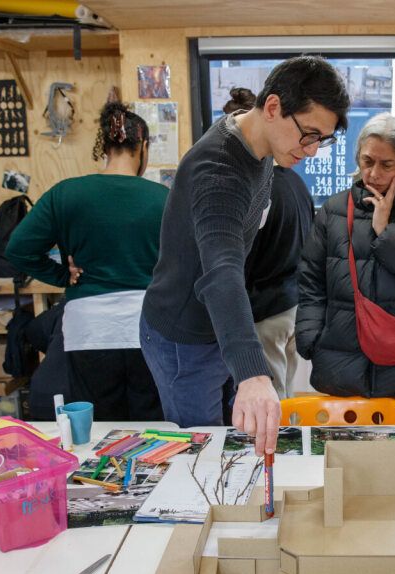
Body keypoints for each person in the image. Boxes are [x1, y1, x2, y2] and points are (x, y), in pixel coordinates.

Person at [139, 56, 349, 455]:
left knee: (232, 443)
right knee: (199, 454)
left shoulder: (261, 146)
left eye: (323, 139)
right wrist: (253, 375)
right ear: (272, 108)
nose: (313, 151)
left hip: (220, 327)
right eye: (309, 135)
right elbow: (221, 270)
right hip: (184, 336)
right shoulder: (219, 171)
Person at [6, 102, 166, 421]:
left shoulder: (66, 194)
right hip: (148, 328)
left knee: (99, 429)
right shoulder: (163, 198)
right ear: (143, 147)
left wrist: (62, 276)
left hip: (88, 330)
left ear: (104, 147)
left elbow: (18, 249)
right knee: (151, 426)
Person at [296, 112, 395, 424]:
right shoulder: (334, 210)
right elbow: (311, 280)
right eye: (368, 161)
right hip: (341, 360)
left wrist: (387, 232)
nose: (373, 173)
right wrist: (311, 337)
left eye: (387, 164)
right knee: (344, 463)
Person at [222, 87, 315, 399]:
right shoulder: (296, 182)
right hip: (292, 304)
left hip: (266, 312)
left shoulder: (260, 188)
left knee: (269, 403)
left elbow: (242, 260)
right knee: (284, 394)